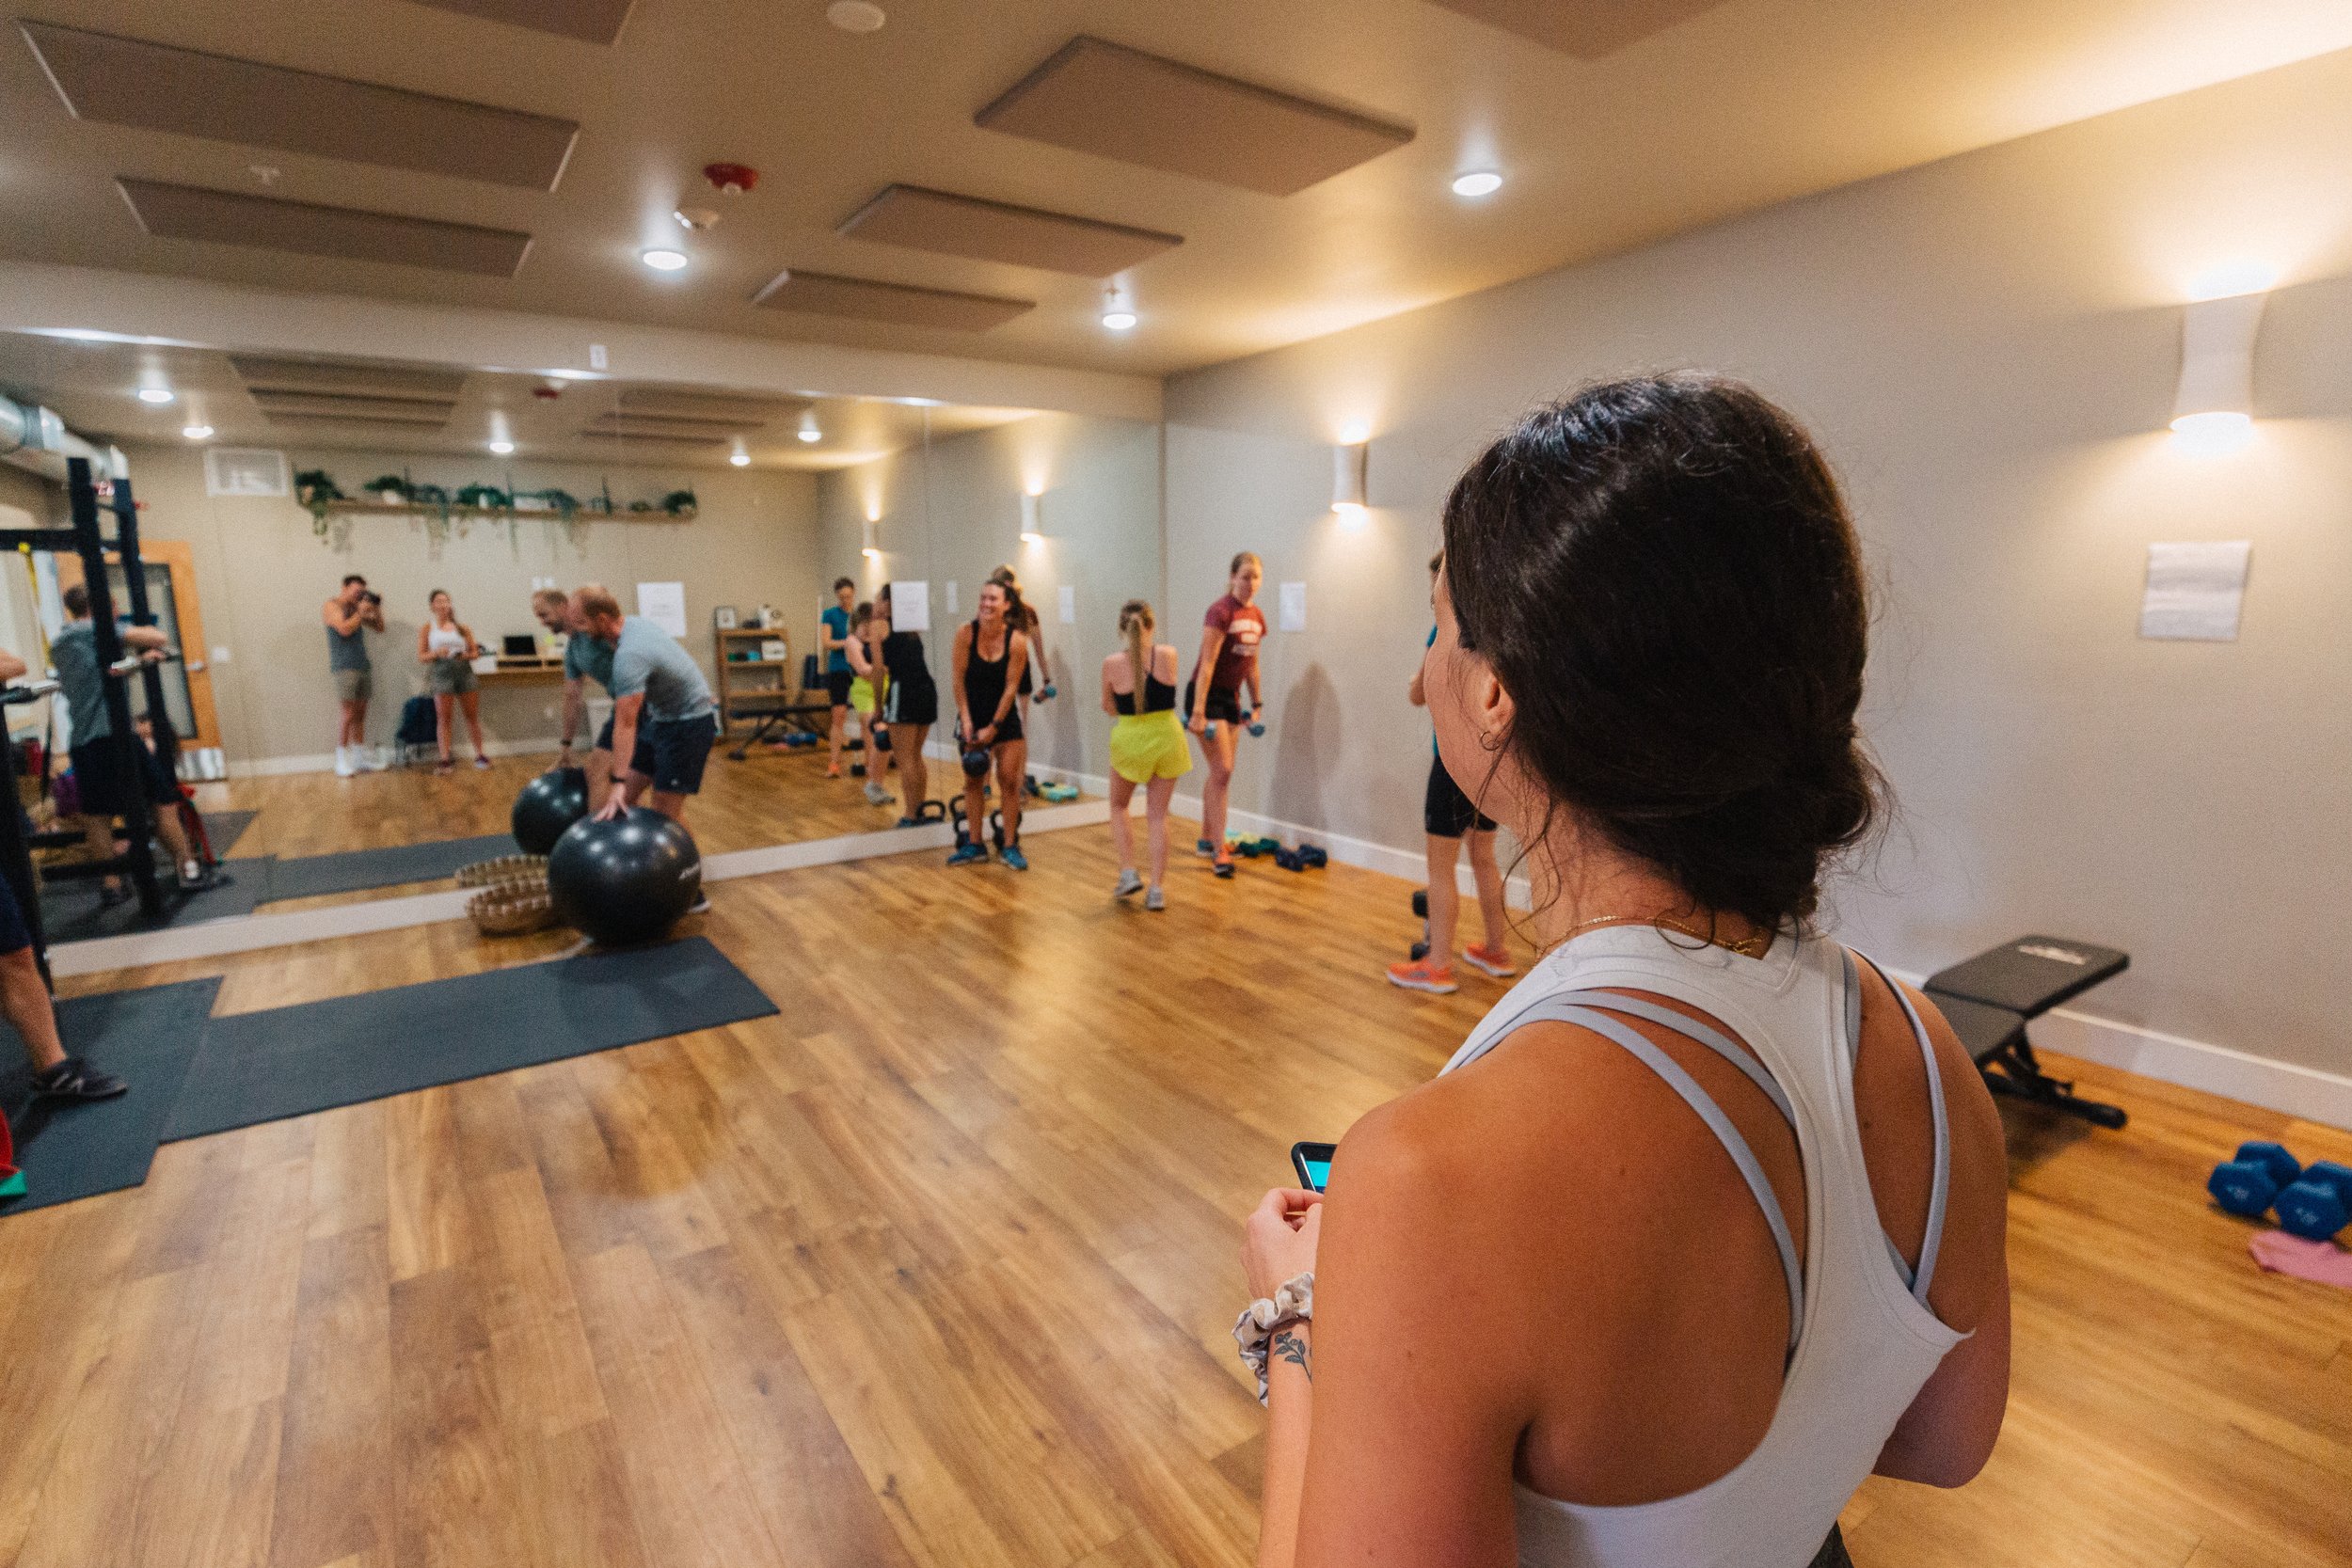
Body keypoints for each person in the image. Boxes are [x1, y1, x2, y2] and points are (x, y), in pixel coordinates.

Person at [1238, 377, 2010, 1568]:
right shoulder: (1926, 1051)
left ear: (1497, 693)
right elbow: (1947, 1439)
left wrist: (1300, 1314)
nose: (1415, 676)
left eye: (1436, 626)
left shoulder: (1433, 1174)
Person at [1388, 554, 1515, 993]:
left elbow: (1418, 693)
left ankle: (1437, 965)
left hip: (1451, 766)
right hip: (1489, 766)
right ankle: (1496, 951)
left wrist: (1412, 678)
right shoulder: (1495, 633)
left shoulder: (1442, 632)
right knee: (1484, 858)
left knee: (1440, 869)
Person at [50, 585, 208, 898]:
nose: (118, 613)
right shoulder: (95, 629)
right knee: (163, 802)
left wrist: (136, 662)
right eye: (115, 608)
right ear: (104, 607)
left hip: (83, 741)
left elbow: (103, 675)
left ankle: (111, 885)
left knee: (98, 816)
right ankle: (188, 868)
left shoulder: (61, 641)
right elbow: (158, 638)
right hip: (115, 736)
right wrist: (145, 647)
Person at [574, 587, 717, 834]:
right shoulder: (631, 625)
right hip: (662, 720)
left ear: (602, 620)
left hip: (689, 725)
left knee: (663, 813)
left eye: (581, 623)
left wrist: (617, 781)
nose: (579, 631)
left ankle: (690, 866)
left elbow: (626, 724)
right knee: (623, 799)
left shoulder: (631, 654)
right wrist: (620, 785)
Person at [1101, 599, 1188, 911]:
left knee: (1119, 805)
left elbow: (1109, 706)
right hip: (1167, 737)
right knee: (1157, 815)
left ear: (1122, 629)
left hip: (1131, 738)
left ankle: (1128, 871)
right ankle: (1156, 890)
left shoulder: (1111, 663)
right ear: (1152, 626)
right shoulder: (1169, 655)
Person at [1185, 550, 1266, 879]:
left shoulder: (1257, 617)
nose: (1250, 583)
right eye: (1245, 576)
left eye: (1256, 577)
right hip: (1207, 697)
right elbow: (1206, 664)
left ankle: (1207, 837)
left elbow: (1252, 665)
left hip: (1232, 699)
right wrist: (1197, 712)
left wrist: (1257, 704)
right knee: (1224, 769)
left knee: (1220, 774)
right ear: (1233, 577)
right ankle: (1220, 849)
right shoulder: (1219, 612)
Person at [946, 579, 1029, 871]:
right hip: (973, 715)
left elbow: (1011, 688)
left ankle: (1009, 845)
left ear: (1006, 604)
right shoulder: (965, 634)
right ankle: (975, 844)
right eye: (983, 598)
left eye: (993, 599)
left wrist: (993, 728)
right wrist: (968, 722)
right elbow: (957, 680)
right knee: (973, 780)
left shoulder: (1017, 641)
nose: (986, 603)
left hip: (1004, 720)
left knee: (1009, 780)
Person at [534, 586, 615, 797]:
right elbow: (571, 697)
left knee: (614, 778)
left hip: (649, 707)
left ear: (563, 607)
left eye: (544, 615)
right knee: (598, 774)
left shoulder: (596, 631)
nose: (542, 622)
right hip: (626, 709)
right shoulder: (572, 652)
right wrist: (566, 747)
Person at [988, 565, 1056, 792]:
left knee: (991, 726)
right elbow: (1038, 652)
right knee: (1019, 730)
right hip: (1021, 669)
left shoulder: (995, 610)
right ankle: (1019, 782)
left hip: (998, 671)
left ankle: (986, 784)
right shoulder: (1028, 611)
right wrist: (1047, 680)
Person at [876, 583, 937, 827]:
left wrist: (879, 706)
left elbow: (879, 670)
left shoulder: (878, 627)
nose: (875, 605)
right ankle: (917, 811)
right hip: (926, 690)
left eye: (878, 600)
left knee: (904, 760)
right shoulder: (912, 628)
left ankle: (911, 815)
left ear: (889, 604)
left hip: (904, 692)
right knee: (915, 757)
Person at [418, 590, 488, 774]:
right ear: (432, 606)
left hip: (464, 672)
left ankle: (480, 754)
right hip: (441, 672)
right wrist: (436, 653)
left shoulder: (462, 628)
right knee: (444, 718)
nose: (443, 604)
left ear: (450, 604)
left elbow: (475, 653)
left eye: (446, 601)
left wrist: (464, 655)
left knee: (472, 716)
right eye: (439, 601)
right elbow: (422, 656)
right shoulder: (428, 628)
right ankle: (445, 759)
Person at [322, 574, 385, 777]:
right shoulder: (332, 606)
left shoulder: (356, 608)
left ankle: (359, 758)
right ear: (344, 588)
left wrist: (375, 608)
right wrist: (360, 612)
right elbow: (344, 629)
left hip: (362, 665)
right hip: (344, 667)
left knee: (360, 715)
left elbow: (380, 628)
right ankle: (341, 760)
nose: (360, 595)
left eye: (362, 592)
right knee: (348, 714)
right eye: (357, 591)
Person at [841, 602, 894, 807]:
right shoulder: (852, 642)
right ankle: (873, 784)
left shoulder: (878, 640)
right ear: (856, 624)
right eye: (863, 625)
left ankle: (876, 783)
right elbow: (863, 669)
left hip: (885, 687)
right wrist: (885, 668)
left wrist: (883, 668)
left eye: (870, 624)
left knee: (883, 736)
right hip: (864, 691)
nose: (867, 629)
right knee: (877, 733)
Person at [819, 577, 857, 779]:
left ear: (854, 593)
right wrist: (847, 643)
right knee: (839, 714)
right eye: (842, 597)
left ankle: (873, 761)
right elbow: (826, 643)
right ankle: (834, 763)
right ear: (837, 596)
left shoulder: (858, 615)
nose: (845, 600)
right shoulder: (829, 615)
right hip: (839, 669)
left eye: (848, 596)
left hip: (858, 668)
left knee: (868, 714)